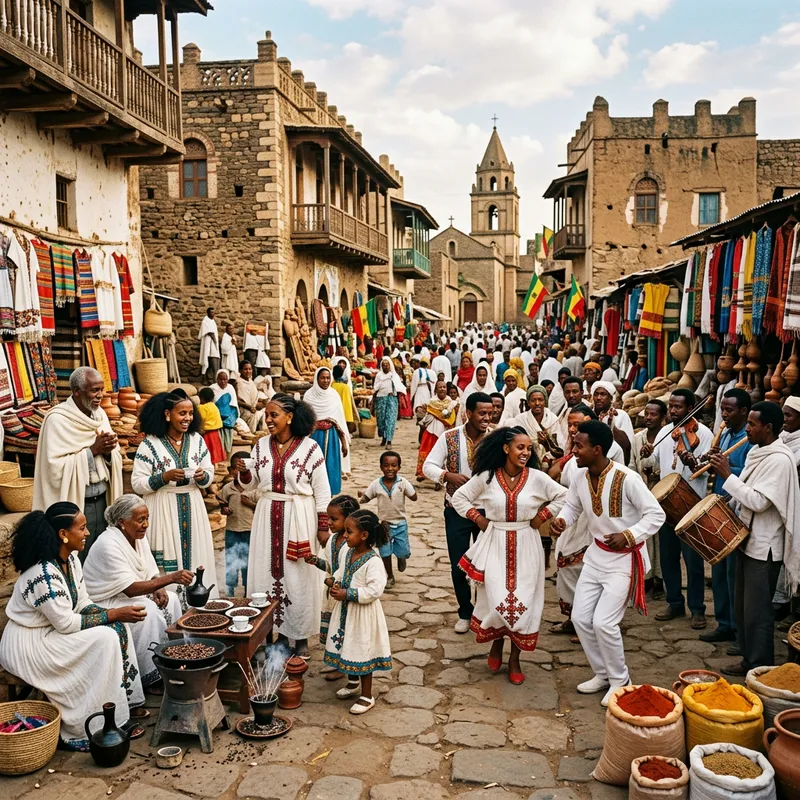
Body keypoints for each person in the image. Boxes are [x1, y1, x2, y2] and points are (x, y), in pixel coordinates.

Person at [0, 502, 147, 750]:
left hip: (52, 633)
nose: (87, 533)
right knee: (105, 638)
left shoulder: (72, 560)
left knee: (115, 631)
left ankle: (116, 715)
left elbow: (83, 603)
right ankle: (83, 726)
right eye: (82, 528)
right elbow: (66, 623)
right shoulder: (42, 573)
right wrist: (112, 613)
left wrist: (114, 617)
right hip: (29, 645)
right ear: (63, 534)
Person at [551, 421, 665, 706]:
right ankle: (602, 674)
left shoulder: (628, 478)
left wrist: (628, 535)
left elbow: (655, 515)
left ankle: (620, 680)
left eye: (579, 446)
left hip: (624, 561)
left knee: (604, 623)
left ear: (597, 450)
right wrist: (562, 520)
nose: (573, 450)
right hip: (595, 556)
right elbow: (573, 506)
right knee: (580, 618)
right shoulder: (579, 476)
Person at [453, 427, 567, 683]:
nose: (526, 452)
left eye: (529, 448)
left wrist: (542, 517)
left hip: (527, 543)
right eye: (520, 447)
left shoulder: (537, 478)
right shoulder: (487, 477)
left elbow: (563, 495)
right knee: (496, 597)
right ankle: (496, 642)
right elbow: (459, 497)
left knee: (523, 602)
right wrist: (479, 519)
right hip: (495, 543)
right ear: (506, 449)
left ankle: (515, 658)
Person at [709, 401, 800, 675]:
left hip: (765, 548)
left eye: (752, 424)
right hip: (746, 540)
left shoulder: (780, 460)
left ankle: (760, 666)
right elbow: (745, 491)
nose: (747, 429)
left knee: (759, 613)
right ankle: (749, 660)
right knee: (744, 608)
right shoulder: (758, 453)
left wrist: (727, 475)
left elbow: (759, 501)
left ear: (768, 428)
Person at [239, 394, 330, 658]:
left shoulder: (310, 448)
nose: (267, 420)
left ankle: (299, 638)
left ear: (290, 417)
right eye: (266, 415)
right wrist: (244, 472)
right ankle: (268, 635)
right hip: (266, 516)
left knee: (298, 576)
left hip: (299, 517)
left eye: (273, 415)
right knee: (264, 573)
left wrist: (322, 526)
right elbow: (250, 484)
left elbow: (322, 491)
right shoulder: (259, 446)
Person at [83, 495, 192, 689]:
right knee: (147, 612)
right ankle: (151, 674)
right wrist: (170, 578)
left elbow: (149, 568)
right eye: (140, 520)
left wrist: (158, 586)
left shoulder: (137, 536)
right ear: (122, 522)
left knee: (173, 599)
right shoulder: (107, 544)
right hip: (105, 600)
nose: (146, 524)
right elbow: (131, 589)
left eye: (147, 518)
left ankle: (176, 658)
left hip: (126, 592)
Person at [131, 392, 219, 595]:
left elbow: (210, 472)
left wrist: (201, 476)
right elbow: (137, 483)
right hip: (163, 507)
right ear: (167, 414)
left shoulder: (196, 440)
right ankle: (170, 610)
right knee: (167, 563)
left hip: (193, 503)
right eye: (182, 413)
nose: (187, 418)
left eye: (190, 413)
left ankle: (198, 607)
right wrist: (164, 477)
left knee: (196, 555)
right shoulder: (150, 444)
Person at [33, 366, 123, 560]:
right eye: (94, 390)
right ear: (76, 391)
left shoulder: (100, 416)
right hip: (77, 506)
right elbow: (53, 468)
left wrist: (109, 453)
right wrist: (93, 451)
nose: (100, 395)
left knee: (103, 556)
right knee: (77, 557)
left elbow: (113, 456)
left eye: (101, 389)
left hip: (102, 501)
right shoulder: (57, 419)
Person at [423, 392, 493, 632]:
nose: (486, 418)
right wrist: (447, 475)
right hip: (456, 510)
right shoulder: (449, 437)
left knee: (487, 564)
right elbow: (428, 466)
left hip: (488, 512)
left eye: (490, 413)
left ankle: (484, 612)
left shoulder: (496, 438)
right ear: (468, 413)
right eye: (482, 413)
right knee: (459, 564)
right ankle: (465, 611)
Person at [322, 509, 392, 714]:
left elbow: (375, 589)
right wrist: (335, 582)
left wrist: (349, 593)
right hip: (346, 611)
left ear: (364, 535)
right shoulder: (350, 552)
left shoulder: (373, 561)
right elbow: (341, 572)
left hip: (362, 615)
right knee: (347, 646)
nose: (344, 536)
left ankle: (367, 695)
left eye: (349, 532)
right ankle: (353, 684)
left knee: (362, 651)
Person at [654, 389, 711, 629]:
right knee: (668, 558)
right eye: (671, 407)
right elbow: (658, 463)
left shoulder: (704, 434)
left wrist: (694, 463)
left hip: (691, 504)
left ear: (690, 409)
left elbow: (708, 468)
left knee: (693, 561)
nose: (673, 411)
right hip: (667, 504)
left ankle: (697, 608)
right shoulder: (665, 432)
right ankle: (674, 602)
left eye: (678, 407)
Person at [700, 389, 753, 647]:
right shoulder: (728, 434)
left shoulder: (750, 440)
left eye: (729, 410)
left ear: (743, 412)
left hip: (736, 513)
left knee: (733, 576)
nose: (724, 414)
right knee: (718, 571)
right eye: (722, 409)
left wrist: (725, 467)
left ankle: (736, 628)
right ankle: (723, 623)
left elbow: (750, 476)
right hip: (718, 508)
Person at [308, 493, 359, 678]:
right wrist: (314, 560)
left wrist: (334, 581)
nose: (329, 522)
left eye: (334, 519)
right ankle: (334, 661)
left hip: (342, 593)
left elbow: (350, 571)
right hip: (331, 593)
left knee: (342, 629)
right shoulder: (332, 540)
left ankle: (342, 667)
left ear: (349, 519)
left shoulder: (351, 544)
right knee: (332, 628)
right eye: (328, 518)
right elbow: (328, 564)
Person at [360, 450, 417, 588]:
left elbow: (414, 497)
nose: (390, 469)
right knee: (385, 552)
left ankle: (401, 557)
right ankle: (390, 576)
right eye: (386, 465)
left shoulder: (403, 483)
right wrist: (361, 498)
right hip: (383, 525)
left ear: (399, 467)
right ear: (381, 467)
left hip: (400, 524)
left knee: (403, 550)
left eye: (394, 465)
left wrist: (411, 492)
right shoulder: (376, 484)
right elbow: (367, 497)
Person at [630, 399, 667, 599]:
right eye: (647, 414)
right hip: (641, 492)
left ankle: (660, 580)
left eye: (654, 415)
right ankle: (646, 579)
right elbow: (632, 465)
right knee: (644, 538)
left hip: (660, 493)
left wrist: (657, 476)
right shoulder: (638, 439)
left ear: (663, 418)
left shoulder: (667, 437)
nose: (649, 418)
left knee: (660, 540)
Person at [305, 367, 350, 496]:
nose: (325, 380)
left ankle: (328, 493)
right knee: (313, 465)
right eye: (322, 378)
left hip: (331, 437)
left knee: (330, 466)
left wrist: (344, 442)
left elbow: (339, 421)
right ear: (317, 379)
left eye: (328, 378)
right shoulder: (309, 395)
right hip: (314, 436)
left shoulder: (334, 395)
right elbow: (305, 419)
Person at [220, 452, 257, 597]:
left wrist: (250, 504)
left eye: (242, 468)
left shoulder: (254, 488)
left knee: (249, 561)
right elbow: (222, 506)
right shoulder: (227, 488)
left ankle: (248, 590)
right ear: (230, 471)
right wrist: (225, 510)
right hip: (232, 530)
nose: (239, 472)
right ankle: (230, 591)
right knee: (232, 559)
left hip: (250, 530)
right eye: (236, 468)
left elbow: (262, 507)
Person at [502, 384, 563, 468]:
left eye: (540, 400)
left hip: (549, 461)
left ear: (545, 401)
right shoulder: (520, 419)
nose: (537, 403)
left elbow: (559, 447)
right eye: (533, 400)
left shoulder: (553, 419)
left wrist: (546, 443)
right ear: (528, 403)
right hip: (525, 460)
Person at [416, 380, 458, 483]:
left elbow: (452, 417)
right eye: (440, 387)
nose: (442, 389)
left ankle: (440, 476)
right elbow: (427, 415)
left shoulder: (451, 402)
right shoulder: (432, 402)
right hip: (432, 431)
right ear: (436, 390)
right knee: (426, 450)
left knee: (443, 454)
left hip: (445, 431)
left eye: (444, 387)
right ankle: (423, 473)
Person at [592, 381, 633, 464]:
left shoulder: (621, 415)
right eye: (596, 394)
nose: (599, 397)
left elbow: (627, 444)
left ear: (611, 398)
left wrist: (611, 425)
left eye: (603, 394)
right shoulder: (589, 415)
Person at [372, 357, 406, 447]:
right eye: (383, 365)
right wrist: (384, 379)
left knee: (390, 420)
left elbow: (399, 387)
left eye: (387, 364)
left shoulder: (394, 376)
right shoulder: (379, 376)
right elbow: (375, 388)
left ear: (390, 365)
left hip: (391, 399)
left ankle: (389, 440)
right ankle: (384, 437)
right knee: (381, 420)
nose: (385, 366)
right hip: (381, 399)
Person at [196, 387, 226, 465]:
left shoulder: (201, 407)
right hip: (215, 433)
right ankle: (215, 465)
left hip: (206, 433)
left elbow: (200, 420)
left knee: (206, 450)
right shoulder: (214, 406)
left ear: (201, 398)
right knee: (214, 450)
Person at [236, 360, 266, 433]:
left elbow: (253, 397)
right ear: (240, 370)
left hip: (253, 408)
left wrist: (262, 401)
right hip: (244, 410)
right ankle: (251, 434)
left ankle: (262, 433)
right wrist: (249, 407)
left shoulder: (251, 382)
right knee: (255, 414)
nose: (248, 371)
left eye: (250, 369)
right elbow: (237, 400)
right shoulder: (238, 382)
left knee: (265, 411)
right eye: (245, 369)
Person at [555, 376, 585, 446]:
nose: (571, 395)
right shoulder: (564, 410)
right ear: (563, 393)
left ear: (582, 392)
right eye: (567, 392)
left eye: (575, 391)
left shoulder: (585, 413)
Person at [198, 307, 220, 382]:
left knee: (213, 362)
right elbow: (207, 332)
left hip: (213, 345)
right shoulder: (205, 321)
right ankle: (203, 378)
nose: (213, 314)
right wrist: (213, 338)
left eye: (214, 312)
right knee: (205, 362)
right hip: (207, 343)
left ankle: (213, 379)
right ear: (208, 313)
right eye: (211, 312)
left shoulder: (213, 321)